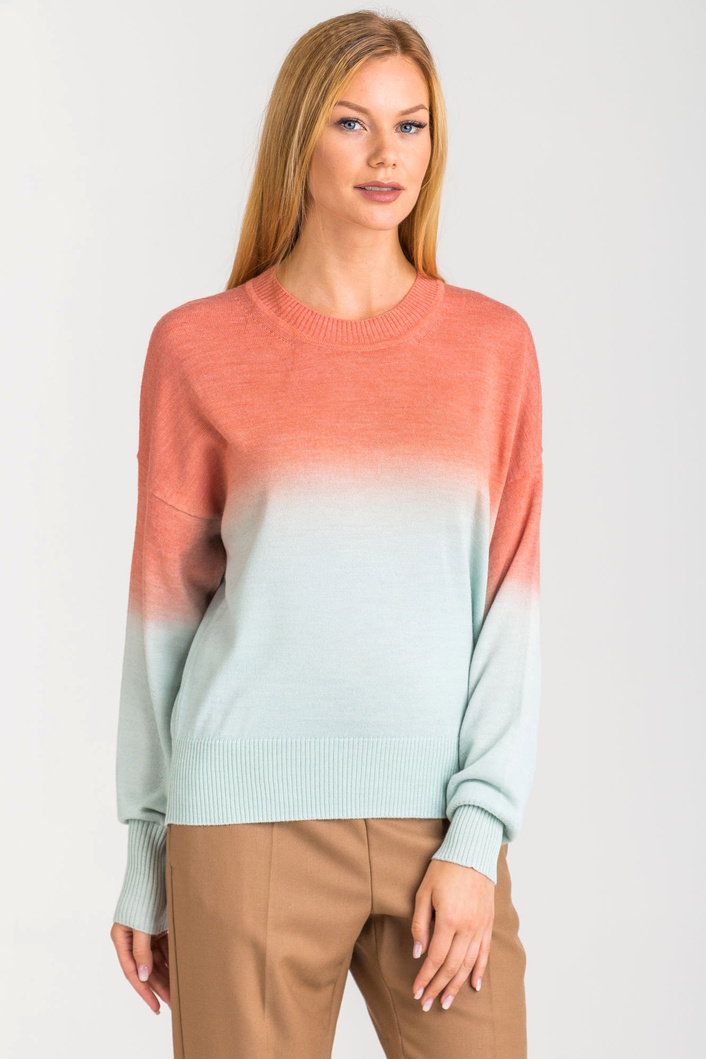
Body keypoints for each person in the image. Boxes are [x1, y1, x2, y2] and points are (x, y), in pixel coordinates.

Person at [109, 11, 543, 1059]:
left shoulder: (492, 349)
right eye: (352, 122)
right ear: (297, 136)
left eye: (411, 125)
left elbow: (511, 609)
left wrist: (478, 833)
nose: (387, 153)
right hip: (240, 824)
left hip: (437, 831)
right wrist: (146, 849)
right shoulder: (197, 348)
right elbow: (162, 616)